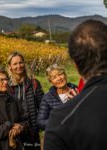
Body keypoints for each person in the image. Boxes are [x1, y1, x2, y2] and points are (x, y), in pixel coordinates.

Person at [44, 19, 107, 150]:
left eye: (60, 75)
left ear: (76, 66)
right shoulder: (56, 107)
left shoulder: (61, 119)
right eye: (54, 77)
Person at [7, 51, 44, 149]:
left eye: (20, 62)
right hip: (13, 131)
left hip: (32, 131)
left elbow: (42, 106)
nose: (18, 66)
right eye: (15, 64)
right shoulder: (6, 86)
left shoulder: (34, 83)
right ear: (10, 66)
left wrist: (38, 124)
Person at [37, 64, 78, 150]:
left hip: (77, 138)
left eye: (60, 74)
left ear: (65, 75)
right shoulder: (47, 98)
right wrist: (58, 122)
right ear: (51, 81)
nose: (59, 78)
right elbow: (40, 122)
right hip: (58, 141)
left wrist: (76, 101)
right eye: (54, 77)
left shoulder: (77, 91)